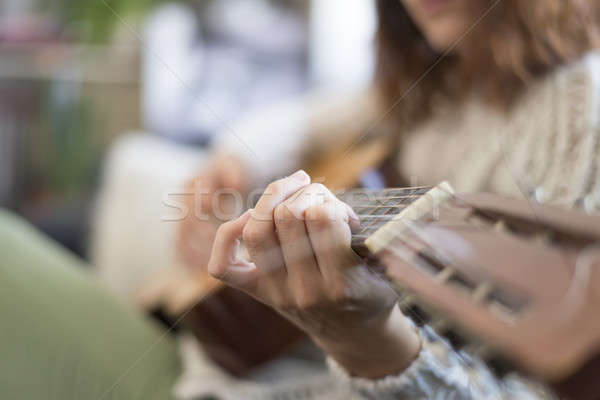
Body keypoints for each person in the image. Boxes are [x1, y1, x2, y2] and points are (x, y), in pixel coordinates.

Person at [1, 0, 599, 399]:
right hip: (219, 361)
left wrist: (371, 345)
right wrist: (233, 161)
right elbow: (314, 117)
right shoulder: (442, 76)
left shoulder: (582, 114)